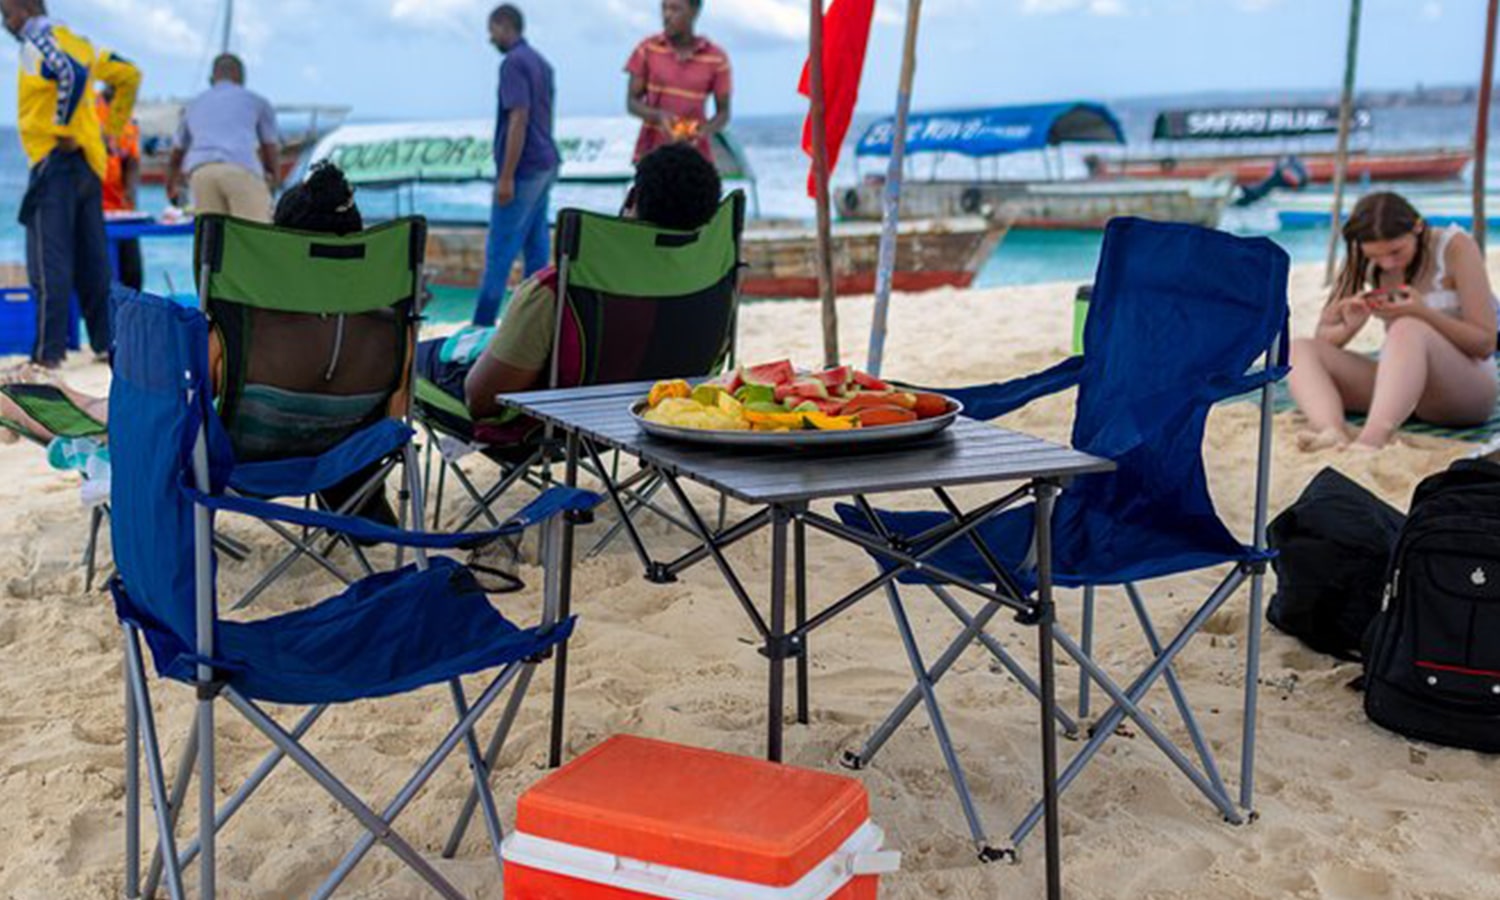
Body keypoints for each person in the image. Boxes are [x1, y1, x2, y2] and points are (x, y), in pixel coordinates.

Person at [418, 143, 723, 426]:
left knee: (411, 358)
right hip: (650, 413)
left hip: (542, 425)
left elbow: (481, 400)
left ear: (631, 199)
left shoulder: (557, 290)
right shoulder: (714, 285)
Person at [1289, 191, 1499, 451]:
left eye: (1396, 252)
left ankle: (1371, 441)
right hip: (1401, 389)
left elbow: (1485, 343)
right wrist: (1348, 328)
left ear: (1418, 227)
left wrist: (1423, 313)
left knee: (1407, 326)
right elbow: (1323, 346)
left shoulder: (1455, 247)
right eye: (1377, 257)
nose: (1387, 264)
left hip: (1465, 389)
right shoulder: (1364, 257)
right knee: (1300, 349)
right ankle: (1331, 430)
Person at [3, 0, 140, 367]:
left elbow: (71, 73)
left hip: (55, 162)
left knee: (49, 262)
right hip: (88, 167)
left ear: (27, 7)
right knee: (92, 261)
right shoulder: (82, 42)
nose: (5, 22)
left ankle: (48, 354)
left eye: (7, 13)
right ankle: (106, 344)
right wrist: (112, 132)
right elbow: (129, 73)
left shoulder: (38, 41)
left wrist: (62, 127)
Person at [471, 4, 559, 328]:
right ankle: (537, 325)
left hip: (524, 170)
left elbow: (518, 118)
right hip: (545, 163)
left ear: (504, 26)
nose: (489, 37)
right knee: (536, 253)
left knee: (499, 255)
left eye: (492, 29)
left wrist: (506, 176)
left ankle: (478, 329)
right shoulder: (541, 63)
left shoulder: (513, 63)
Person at [165, 53, 279, 223]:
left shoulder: (193, 104)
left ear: (212, 77)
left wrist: (170, 187)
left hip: (201, 174)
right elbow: (269, 147)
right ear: (240, 76)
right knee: (254, 236)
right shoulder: (256, 101)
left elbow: (176, 154)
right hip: (240, 168)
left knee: (212, 240)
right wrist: (273, 179)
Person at [624, 0, 732, 166]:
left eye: (675, 9)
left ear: (694, 11)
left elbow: (723, 113)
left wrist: (701, 132)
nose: (667, 15)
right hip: (651, 155)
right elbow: (632, 102)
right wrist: (659, 116)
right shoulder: (647, 49)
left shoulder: (716, 58)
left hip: (696, 157)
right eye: (664, 8)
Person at [96, 83, 143, 290]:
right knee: (99, 279)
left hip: (122, 210)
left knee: (132, 276)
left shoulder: (128, 120)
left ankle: (125, 323)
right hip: (92, 208)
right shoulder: (89, 109)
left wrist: (131, 192)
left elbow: (131, 161)